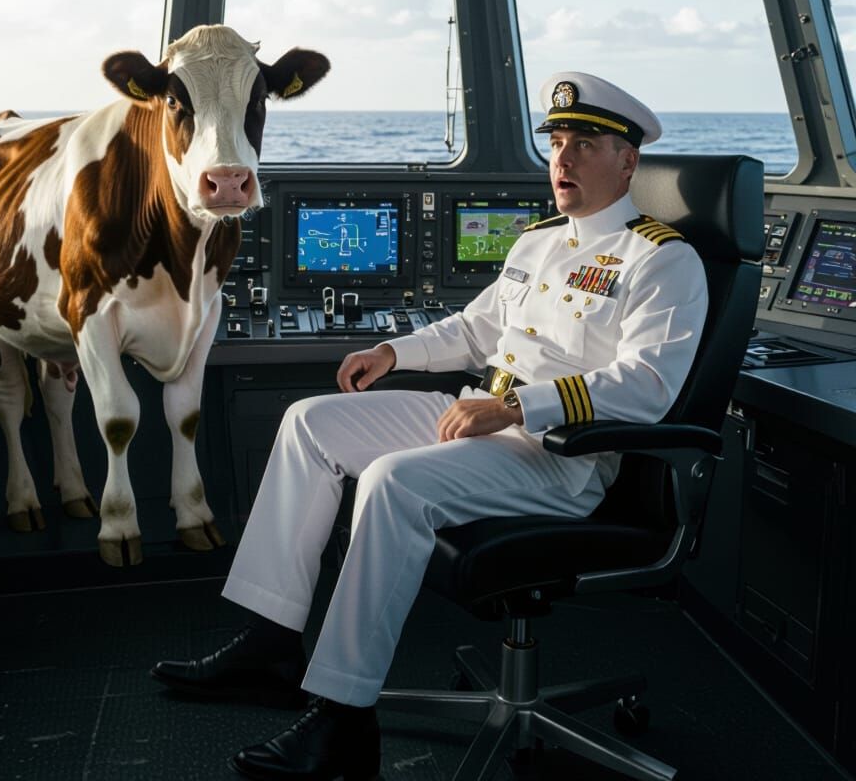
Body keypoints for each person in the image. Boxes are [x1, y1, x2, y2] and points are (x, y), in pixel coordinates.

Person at [152, 72, 709, 781]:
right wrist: (394, 353)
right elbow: (477, 329)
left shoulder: (662, 259)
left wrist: (517, 408)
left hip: (562, 456)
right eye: (558, 143)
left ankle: (343, 720)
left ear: (628, 163)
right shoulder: (538, 242)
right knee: (309, 424)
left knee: (391, 482)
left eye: (585, 145)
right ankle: (270, 641)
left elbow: (648, 387)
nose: (562, 160)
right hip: (487, 410)